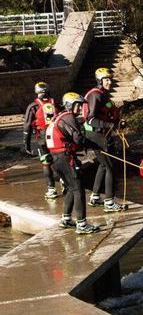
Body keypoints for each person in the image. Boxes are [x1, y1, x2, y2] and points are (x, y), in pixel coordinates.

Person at [46, 92, 100, 234]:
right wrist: (95, 145)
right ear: (70, 105)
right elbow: (78, 139)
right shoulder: (69, 117)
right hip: (64, 158)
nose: (80, 108)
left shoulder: (58, 117)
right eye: (78, 105)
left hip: (55, 158)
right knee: (78, 188)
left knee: (70, 187)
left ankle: (66, 219)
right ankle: (82, 224)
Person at [82, 67, 125, 212]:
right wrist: (109, 125)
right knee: (110, 167)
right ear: (99, 81)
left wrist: (117, 122)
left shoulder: (103, 95)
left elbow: (108, 115)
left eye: (110, 79)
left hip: (102, 134)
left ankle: (95, 197)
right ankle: (109, 202)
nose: (109, 82)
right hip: (96, 135)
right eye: (106, 79)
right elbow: (91, 119)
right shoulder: (95, 96)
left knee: (102, 165)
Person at [22, 81, 61, 198]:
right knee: (59, 160)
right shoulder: (55, 103)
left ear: (36, 92)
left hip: (43, 138)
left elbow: (27, 126)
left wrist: (26, 144)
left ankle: (51, 189)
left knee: (46, 163)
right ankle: (65, 183)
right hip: (56, 136)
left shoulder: (33, 106)